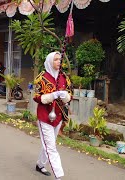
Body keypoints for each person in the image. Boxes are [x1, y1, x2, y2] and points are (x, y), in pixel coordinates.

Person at [33, 52, 72, 180]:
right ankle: (59, 176)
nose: (59, 62)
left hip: (58, 117)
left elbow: (70, 94)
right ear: (50, 61)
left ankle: (40, 164)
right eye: (55, 60)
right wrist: (51, 96)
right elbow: (36, 97)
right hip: (45, 116)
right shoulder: (41, 77)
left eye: (59, 60)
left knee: (49, 145)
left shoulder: (64, 77)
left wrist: (65, 96)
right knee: (51, 147)